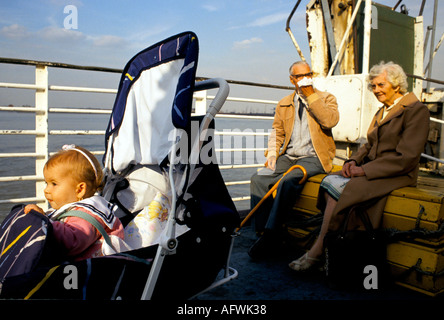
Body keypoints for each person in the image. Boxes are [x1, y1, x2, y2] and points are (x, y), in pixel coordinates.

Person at [289, 61, 430, 271]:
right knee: (330, 182)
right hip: (376, 169)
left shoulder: (415, 111)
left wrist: (364, 170)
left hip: (398, 173)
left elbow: (406, 158)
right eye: (373, 86)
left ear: (397, 85)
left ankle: (319, 250)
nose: (376, 90)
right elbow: (369, 144)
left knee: (346, 190)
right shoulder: (384, 111)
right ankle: (327, 247)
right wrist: (353, 161)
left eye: (381, 85)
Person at [248, 61, 339, 259]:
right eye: (299, 76)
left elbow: (330, 121)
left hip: (314, 157)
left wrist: (310, 96)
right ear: (292, 80)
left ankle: (272, 235)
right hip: (289, 156)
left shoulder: (326, 98)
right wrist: (272, 153)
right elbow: (277, 132)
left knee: (288, 181)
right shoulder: (284, 103)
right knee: (259, 178)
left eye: (308, 74)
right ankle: (262, 232)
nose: (305, 78)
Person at [25, 144, 125, 261]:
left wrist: (43, 222)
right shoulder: (74, 210)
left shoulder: (87, 215)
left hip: (89, 274)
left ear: (80, 190)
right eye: (46, 183)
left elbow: (72, 242)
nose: (46, 190)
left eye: (54, 184)